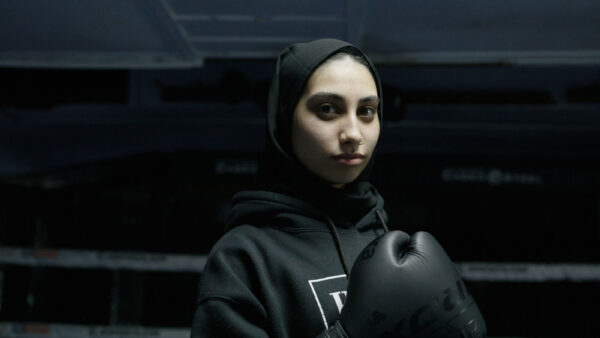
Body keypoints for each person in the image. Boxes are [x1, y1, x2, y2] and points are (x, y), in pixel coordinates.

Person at [191, 39, 486, 337]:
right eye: (328, 109)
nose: (353, 134)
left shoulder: (380, 233)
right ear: (285, 118)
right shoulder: (243, 258)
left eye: (367, 111)